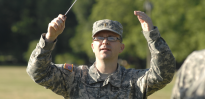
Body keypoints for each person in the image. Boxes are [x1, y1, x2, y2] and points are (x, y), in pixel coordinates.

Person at [26, 11, 176, 99]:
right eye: (99, 37)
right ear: (93, 46)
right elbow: (38, 72)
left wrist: (152, 35)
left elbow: (164, 74)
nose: (105, 42)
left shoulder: (134, 81)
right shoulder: (75, 77)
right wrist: (49, 39)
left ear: (121, 47)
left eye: (112, 38)